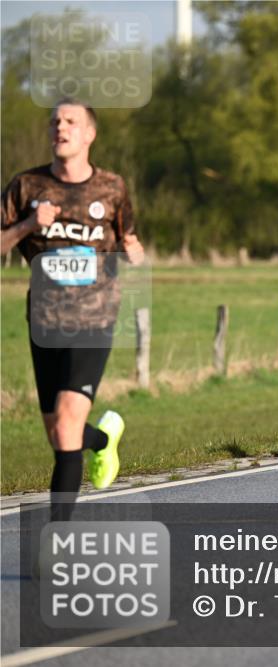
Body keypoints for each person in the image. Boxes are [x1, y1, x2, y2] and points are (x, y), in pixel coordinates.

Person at [1, 98, 144, 520]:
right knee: (58, 432)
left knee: (65, 427)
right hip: (44, 322)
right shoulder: (25, 187)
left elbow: (127, 243)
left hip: (95, 318)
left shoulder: (112, 189)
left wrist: (134, 253)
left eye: (70, 121)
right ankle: (102, 441)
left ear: (89, 134)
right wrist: (29, 225)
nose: (59, 127)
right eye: (54, 122)